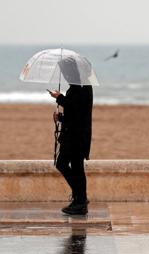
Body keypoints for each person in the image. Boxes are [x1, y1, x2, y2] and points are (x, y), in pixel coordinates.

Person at [49, 57, 93, 215]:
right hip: (75, 135)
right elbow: (75, 113)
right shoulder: (79, 86)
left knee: (62, 164)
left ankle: (80, 199)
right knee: (76, 168)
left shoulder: (82, 87)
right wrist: (60, 118)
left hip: (76, 137)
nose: (65, 75)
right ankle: (79, 200)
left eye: (66, 72)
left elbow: (75, 106)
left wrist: (59, 98)